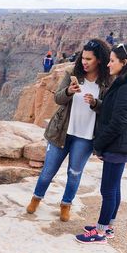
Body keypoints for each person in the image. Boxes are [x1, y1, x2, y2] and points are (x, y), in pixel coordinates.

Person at [75, 43, 127, 244]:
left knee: (108, 190)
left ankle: (100, 233)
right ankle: (108, 226)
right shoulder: (126, 83)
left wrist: (99, 145)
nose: (108, 65)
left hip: (118, 145)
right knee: (114, 187)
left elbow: (118, 123)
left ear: (124, 63)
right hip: (121, 144)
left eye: (112, 61)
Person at [27, 39, 112, 221]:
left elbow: (110, 109)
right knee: (48, 171)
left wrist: (96, 103)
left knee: (74, 174)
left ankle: (66, 204)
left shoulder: (106, 81)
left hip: (86, 136)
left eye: (89, 59)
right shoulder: (73, 73)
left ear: (99, 60)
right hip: (62, 131)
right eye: (83, 57)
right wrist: (68, 91)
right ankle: (36, 198)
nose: (84, 62)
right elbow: (58, 98)